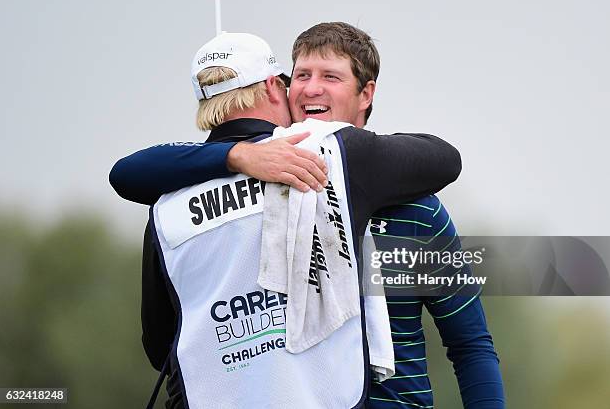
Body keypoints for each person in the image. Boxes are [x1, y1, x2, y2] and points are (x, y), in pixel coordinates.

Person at [110, 31, 461, 408]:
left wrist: (232, 157)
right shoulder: (329, 154)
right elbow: (445, 158)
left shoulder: (167, 203)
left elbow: (160, 343)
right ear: (273, 87)